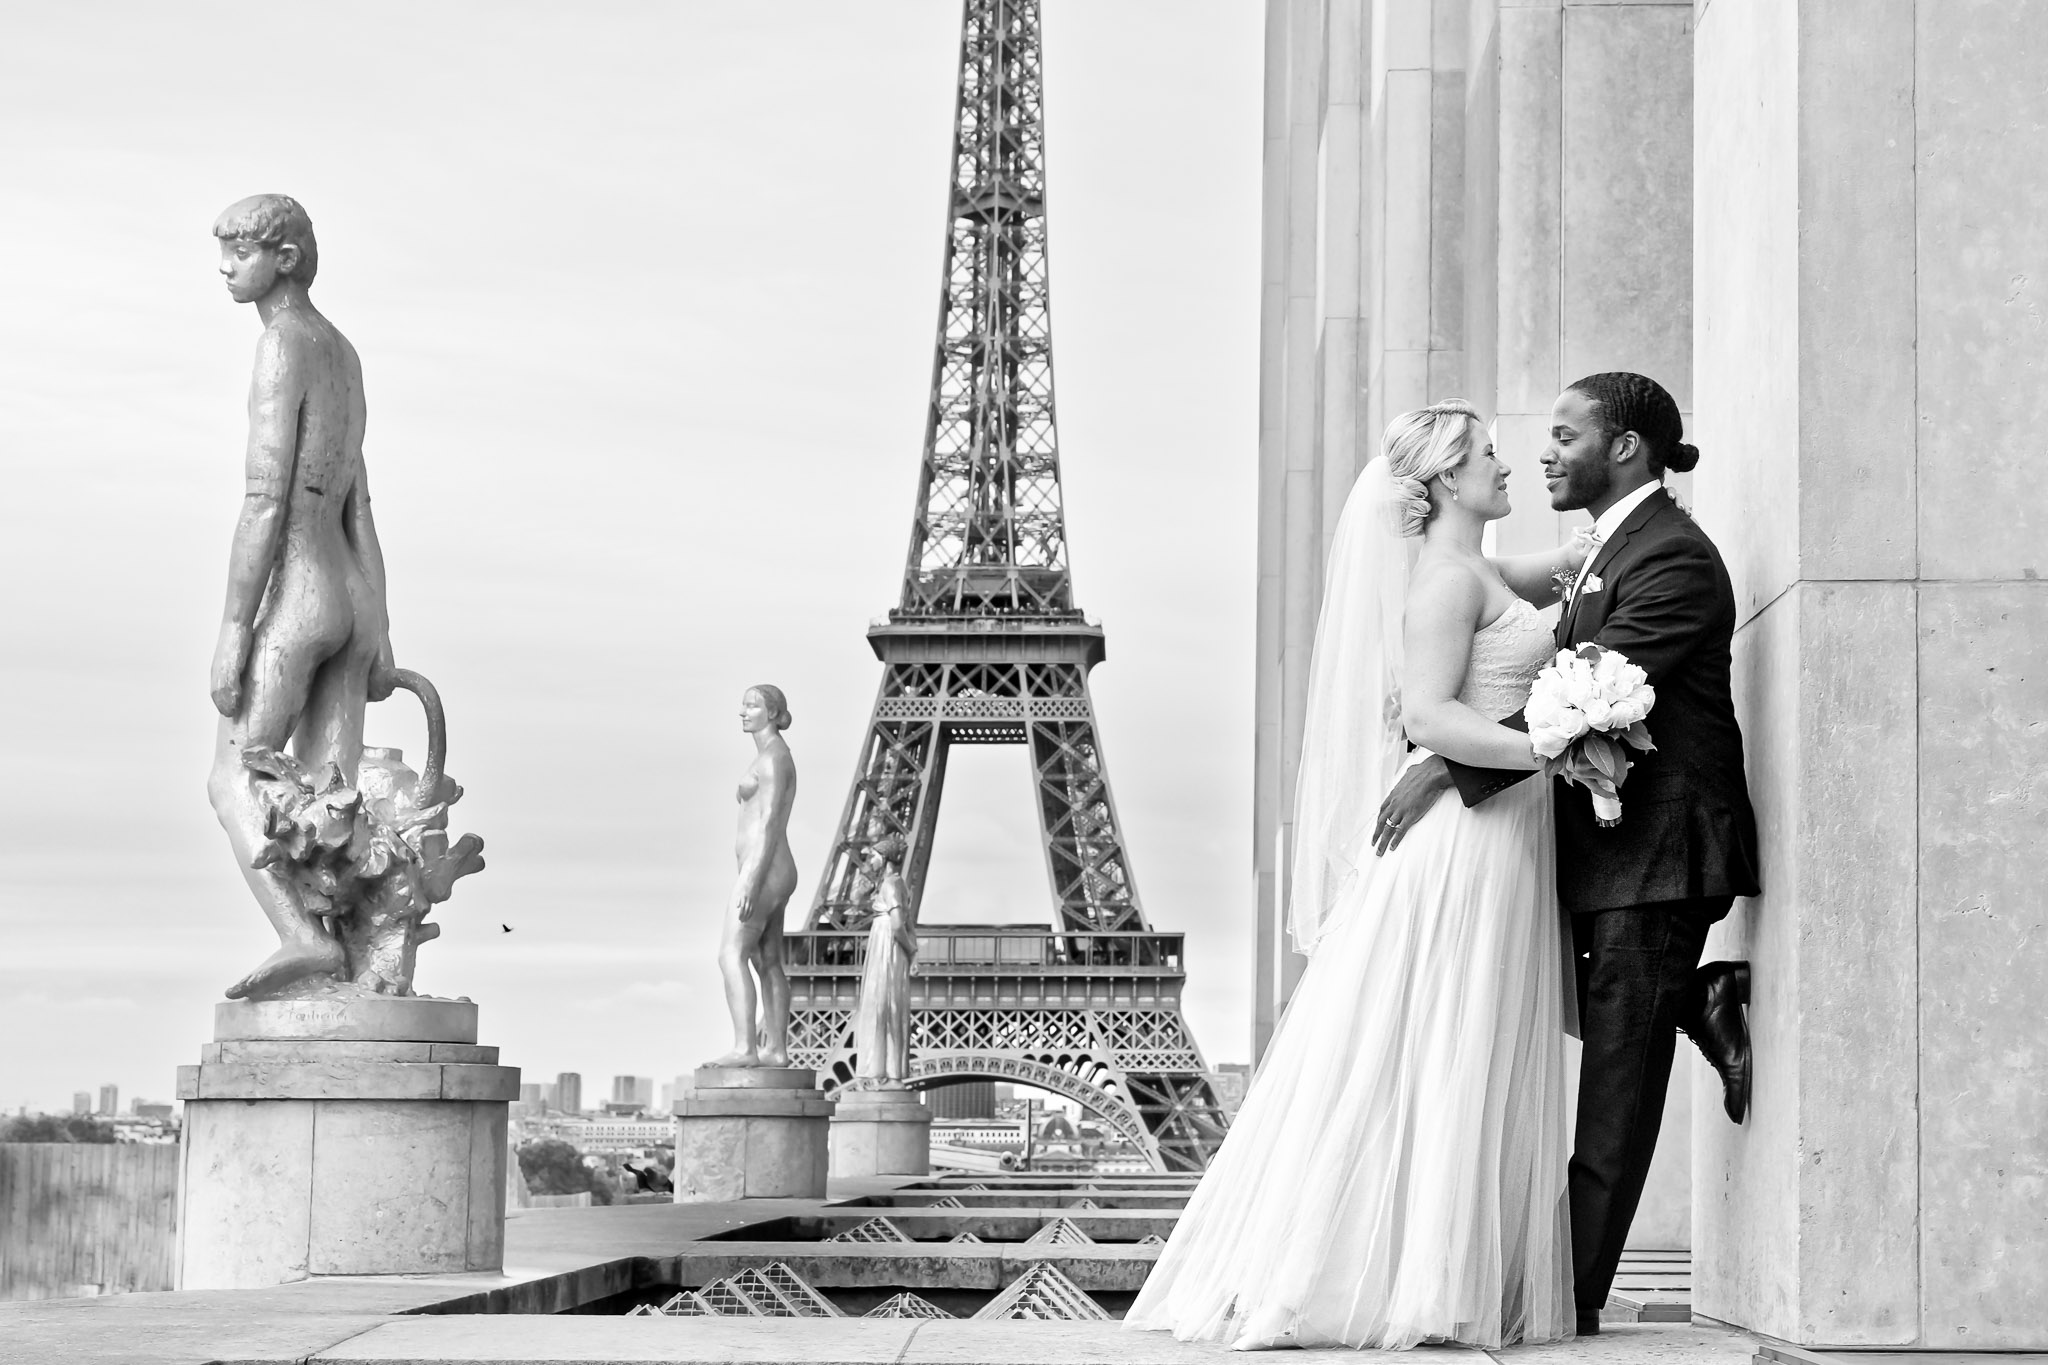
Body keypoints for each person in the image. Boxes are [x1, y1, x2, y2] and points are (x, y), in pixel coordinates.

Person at [1126, 401, 1592, 1350]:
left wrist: (1613, 522)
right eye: (1489, 457)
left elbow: (1569, 568)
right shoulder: (1443, 585)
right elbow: (1426, 718)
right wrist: (1556, 745)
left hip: (1495, 833)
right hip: (1469, 841)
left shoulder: (1474, 567)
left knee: (1453, 1045)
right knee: (1439, 1043)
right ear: (1442, 483)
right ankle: (1410, 1279)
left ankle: (1434, 1273)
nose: (1506, 466)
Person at [1375, 373, 1760, 1336]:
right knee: (1556, 1013)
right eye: (1520, 443)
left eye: (1561, 435)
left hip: (1661, 849)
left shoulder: (1671, 557)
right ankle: (1698, 997)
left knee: (1615, 1080)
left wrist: (1447, 767)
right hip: (1602, 843)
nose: (1536, 452)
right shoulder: (1607, 547)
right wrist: (1441, 737)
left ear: (1624, 448)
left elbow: (1591, 687)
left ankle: (1565, 1291)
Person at [205, 195, 395, 1002]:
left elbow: (265, 499)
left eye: (239, 250)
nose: (224, 266)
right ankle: (350, 969)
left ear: (282, 257)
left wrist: (233, 626)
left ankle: (299, 936)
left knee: (229, 778)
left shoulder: (282, 345)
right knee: (330, 802)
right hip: (353, 592)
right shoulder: (344, 351)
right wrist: (380, 621)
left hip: (301, 590)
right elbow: (362, 501)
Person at [706, 685, 799, 1068]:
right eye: (743, 705)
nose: (743, 712)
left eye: (752, 705)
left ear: (774, 713)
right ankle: (775, 1049)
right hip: (775, 867)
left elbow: (771, 823)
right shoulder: (772, 756)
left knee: (730, 953)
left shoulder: (773, 759)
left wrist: (750, 879)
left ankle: (746, 1048)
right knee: (768, 960)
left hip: (764, 867)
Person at [851, 835, 918, 1085]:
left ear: (886, 857)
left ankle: (878, 1072)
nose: (871, 860)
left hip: (886, 948)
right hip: (891, 948)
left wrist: (910, 950)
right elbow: (908, 924)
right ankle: (890, 1072)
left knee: (880, 1004)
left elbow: (899, 924)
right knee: (890, 1007)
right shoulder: (897, 883)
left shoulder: (890, 885)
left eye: (875, 856)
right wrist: (913, 950)